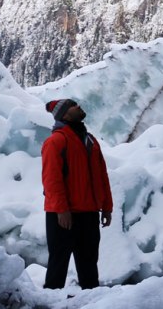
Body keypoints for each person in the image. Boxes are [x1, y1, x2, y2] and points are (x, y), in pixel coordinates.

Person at [41, 98, 114, 290]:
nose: (79, 106)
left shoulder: (90, 140)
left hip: (89, 213)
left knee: (89, 266)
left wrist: (107, 207)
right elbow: (51, 179)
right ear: (65, 114)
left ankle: (91, 303)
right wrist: (61, 210)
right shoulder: (56, 141)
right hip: (63, 215)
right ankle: (49, 303)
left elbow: (102, 175)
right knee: (58, 266)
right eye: (74, 106)